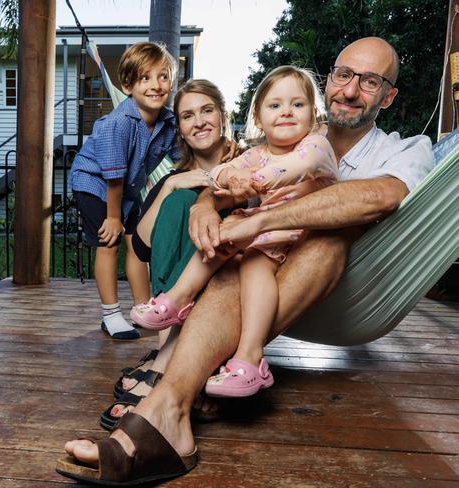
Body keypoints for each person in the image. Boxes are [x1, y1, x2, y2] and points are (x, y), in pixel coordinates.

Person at [57, 37, 433, 486]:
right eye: (343, 75)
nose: (350, 90)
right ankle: (169, 412)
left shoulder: (406, 148)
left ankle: (175, 377)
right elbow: (230, 179)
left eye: (370, 81)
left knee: (326, 239)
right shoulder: (278, 138)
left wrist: (260, 221)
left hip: (335, 279)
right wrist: (203, 205)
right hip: (251, 272)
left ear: (388, 96)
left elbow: (380, 196)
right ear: (329, 79)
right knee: (232, 256)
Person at [132, 67, 337, 400]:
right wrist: (226, 178)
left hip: (298, 233)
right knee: (220, 237)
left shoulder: (315, 145)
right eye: (275, 106)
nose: (286, 111)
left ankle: (247, 356)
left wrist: (250, 181)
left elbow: (296, 166)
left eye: (297, 105)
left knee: (246, 258)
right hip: (261, 234)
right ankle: (176, 302)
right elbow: (226, 173)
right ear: (258, 116)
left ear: (313, 114)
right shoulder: (255, 153)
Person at [104, 79, 235, 429]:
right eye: (188, 116)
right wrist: (175, 184)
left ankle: (167, 360)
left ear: (223, 116)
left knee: (200, 213)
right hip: (183, 298)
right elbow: (144, 246)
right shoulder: (172, 177)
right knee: (178, 202)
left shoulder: (250, 161)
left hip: (231, 280)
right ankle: (180, 357)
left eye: (207, 111)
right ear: (181, 129)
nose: (200, 122)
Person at [70, 41, 178, 340]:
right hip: (93, 183)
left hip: (125, 190)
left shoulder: (168, 122)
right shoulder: (118, 124)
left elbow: (184, 158)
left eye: (163, 76)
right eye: (145, 78)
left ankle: (144, 310)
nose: (156, 85)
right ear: (127, 85)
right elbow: (113, 177)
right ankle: (110, 315)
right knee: (111, 241)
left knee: (138, 244)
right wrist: (113, 218)